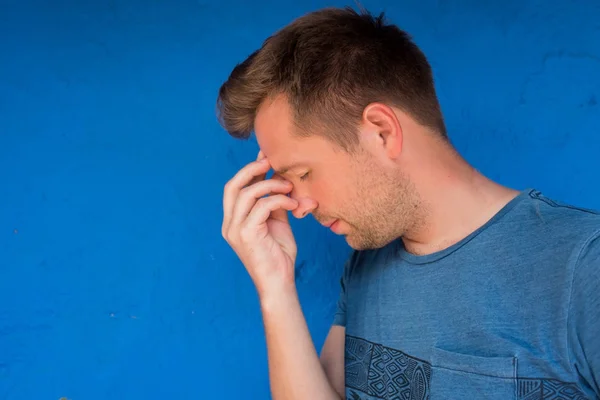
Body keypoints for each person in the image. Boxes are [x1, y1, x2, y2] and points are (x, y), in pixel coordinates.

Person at [216, 6, 600, 400]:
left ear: (382, 132)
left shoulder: (585, 266)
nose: (298, 206)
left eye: (303, 173)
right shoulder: (365, 263)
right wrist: (275, 288)